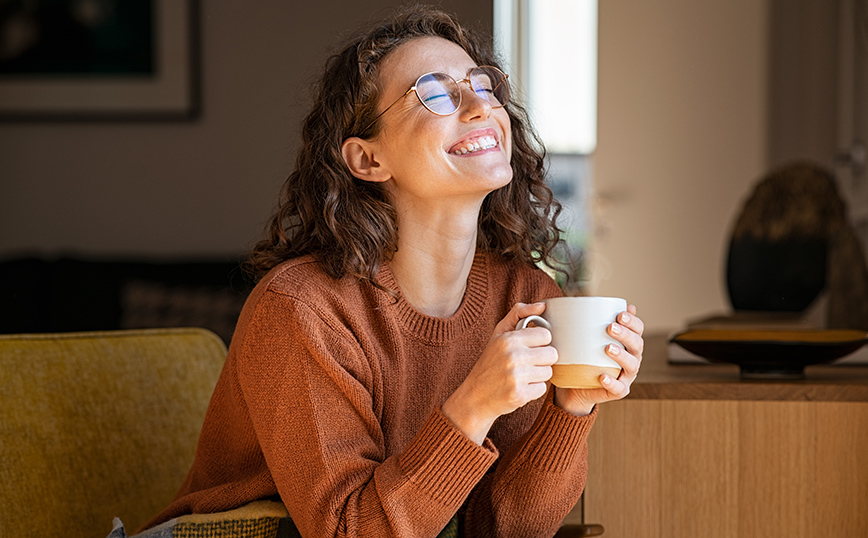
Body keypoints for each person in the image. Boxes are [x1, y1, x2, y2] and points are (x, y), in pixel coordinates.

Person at [139, 5, 644, 538]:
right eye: (435, 92)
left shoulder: (525, 294)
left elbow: (499, 528)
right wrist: (472, 407)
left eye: (483, 84)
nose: (479, 107)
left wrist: (572, 407)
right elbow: (347, 532)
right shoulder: (301, 310)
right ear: (367, 160)